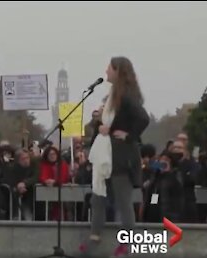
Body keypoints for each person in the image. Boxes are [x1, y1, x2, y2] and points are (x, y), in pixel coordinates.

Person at [79, 57, 149, 257]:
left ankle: (127, 244)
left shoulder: (127, 95)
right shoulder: (113, 96)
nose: (106, 71)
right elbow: (107, 127)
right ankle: (94, 236)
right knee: (98, 198)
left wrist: (129, 134)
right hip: (106, 155)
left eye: (109, 68)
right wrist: (98, 124)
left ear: (118, 71)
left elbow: (143, 118)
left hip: (120, 158)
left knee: (123, 201)